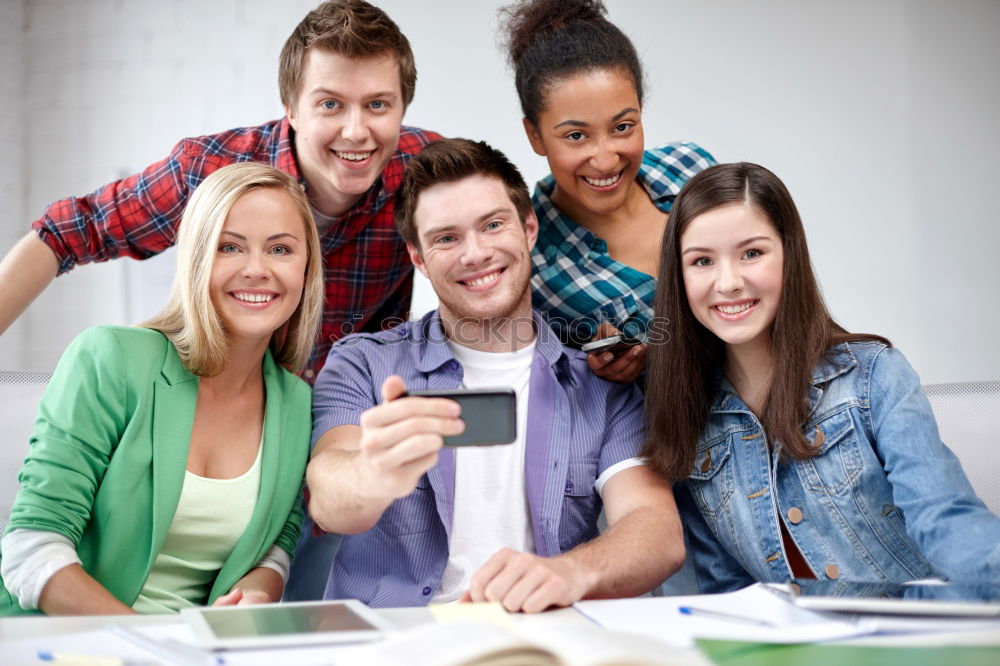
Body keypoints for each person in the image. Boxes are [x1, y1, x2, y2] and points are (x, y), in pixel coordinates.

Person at [305, 138, 684, 612]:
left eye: (492, 225)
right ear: (418, 258)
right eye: (446, 238)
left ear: (528, 229)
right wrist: (375, 472)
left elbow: (657, 531)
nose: (476, 253)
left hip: (539, 643)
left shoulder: (600, 388)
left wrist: (569, 573)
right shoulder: (362, 363)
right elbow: (329, 498)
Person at [0, 0, 441, 379]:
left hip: (347, 412)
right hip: (219, 409)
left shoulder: (428, 175)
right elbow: (68, 233)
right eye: (330, 104)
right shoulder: (209, 170)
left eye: (377, 105)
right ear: (291, 107)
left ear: (403, 108)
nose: (355, 130)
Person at [644, 162, 1000, 592]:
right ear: (678, 278)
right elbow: (728, 593)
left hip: (921, 634)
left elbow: (944, 517)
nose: (729, 282)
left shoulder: (874, 375)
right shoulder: (686, 418)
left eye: (752, 253)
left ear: (789, 255)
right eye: (701, 261)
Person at [0, 163, 323, 615]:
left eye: (281, 249)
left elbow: (276, 545)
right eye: (229, 247)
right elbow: (32, 548)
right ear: (196, 259)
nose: (257, 269)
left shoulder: (299, 403)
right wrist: (148, 646)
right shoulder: (111, 359)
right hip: (68, 639)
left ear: (306, 268)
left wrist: (256, 591)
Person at [500, 0, 716, 384]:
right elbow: (556, 396)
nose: (605, 159)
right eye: (576, 136)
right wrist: (600, 377)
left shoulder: (692, 169)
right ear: (535, 134)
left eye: (622, 127)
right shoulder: (534, 271)